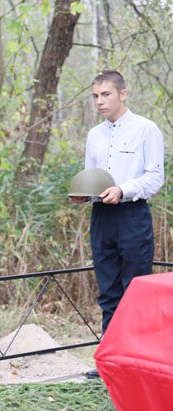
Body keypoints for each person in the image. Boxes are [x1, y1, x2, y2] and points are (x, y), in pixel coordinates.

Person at [73, 70, 165, 379]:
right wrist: (83, 196)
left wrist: (123, 190)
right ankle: (111, 362)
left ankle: (139, 363)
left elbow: (155, 177)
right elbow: (91, 177)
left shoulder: (146, 129)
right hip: (101, 218)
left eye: (106, 94)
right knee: (108, 290)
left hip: (132, 216)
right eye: (95, 96)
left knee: (135, 290)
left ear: (123, 94)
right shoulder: (94, 135)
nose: (99, 101)